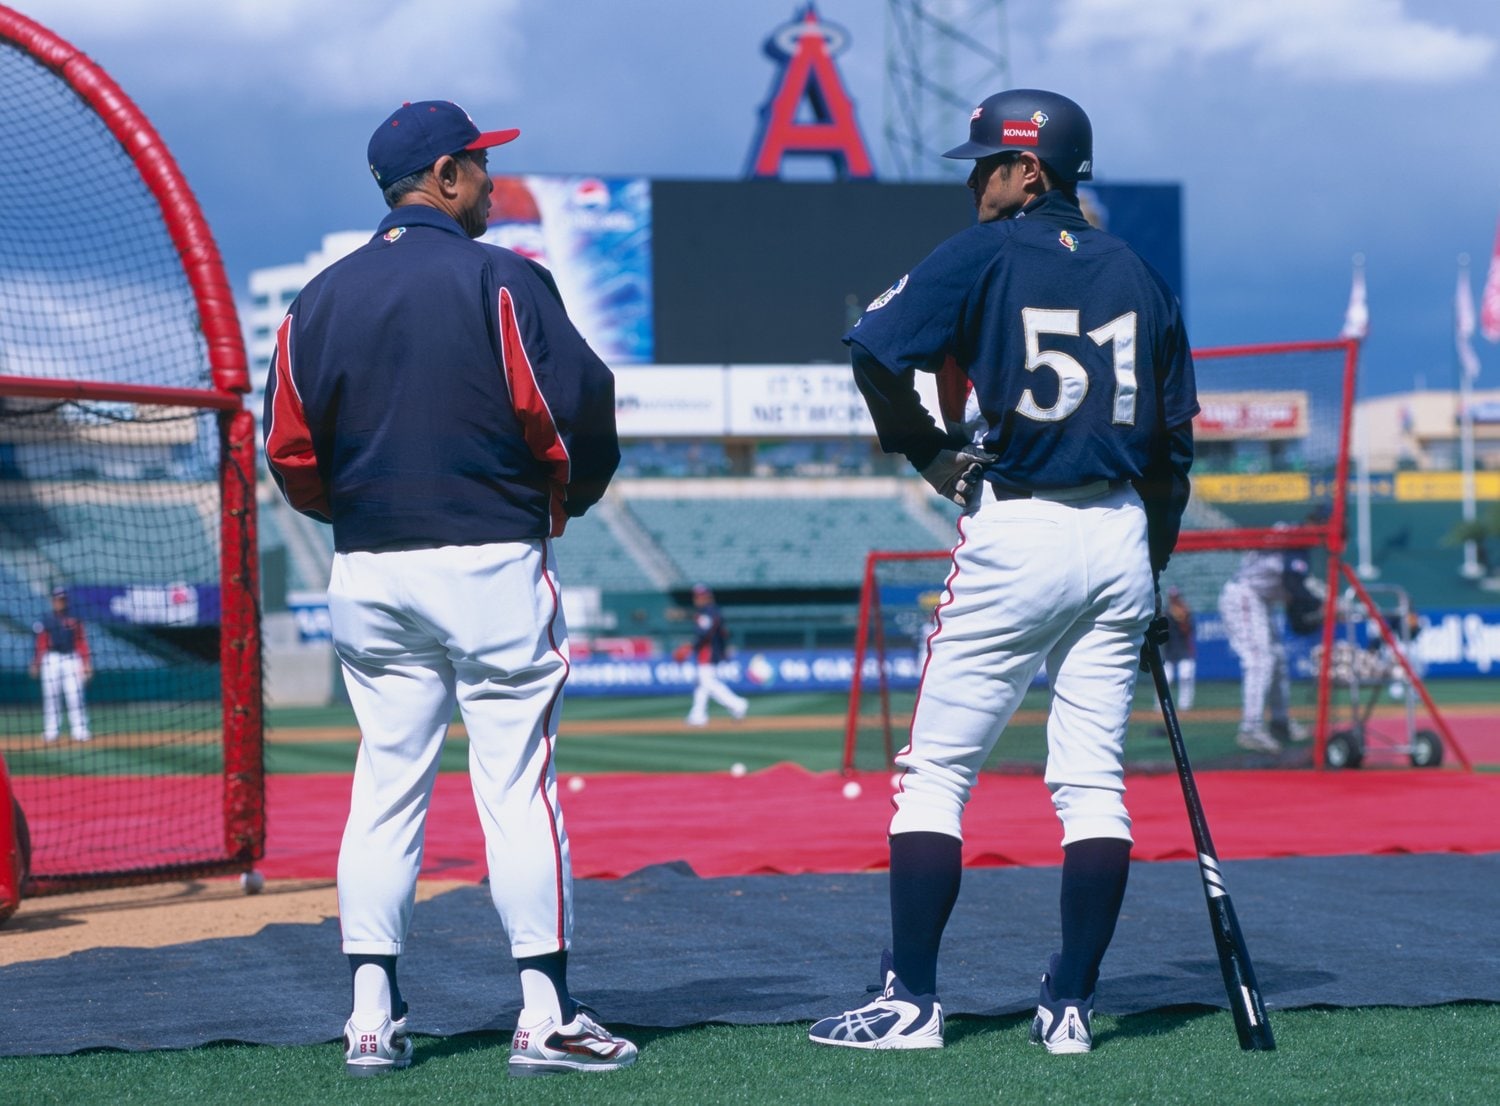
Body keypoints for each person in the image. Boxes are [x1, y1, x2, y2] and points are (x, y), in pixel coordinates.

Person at [808, 88, 1196, 1055]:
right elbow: (1174, 454)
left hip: (1018, 525)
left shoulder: (985, 253)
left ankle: (911, 1004)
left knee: (933, 774)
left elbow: (870, 345)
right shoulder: (1139, 272)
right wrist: (1151, 572)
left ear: (1033, 171)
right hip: (1119, 536)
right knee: (1094, 785)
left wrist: (925, 450)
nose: (976, 178)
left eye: (988, 162)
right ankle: (1068, 1006)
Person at [263, 100, 635, 1079]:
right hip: (486, 554)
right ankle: (546, 1012)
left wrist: (360, 516)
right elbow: (576, 413)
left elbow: (288, 452)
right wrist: (572, 495)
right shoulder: (502, 277)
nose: (487, 179)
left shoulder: (317, 298)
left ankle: (371, 1015)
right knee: (515, 784)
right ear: (444, 175)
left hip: (370, 563)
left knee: (385, 780)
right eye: (477, 163)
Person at [1217, 519, 1324, 753]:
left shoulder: (1294, 541)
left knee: (1278, 660)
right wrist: (1318, 603)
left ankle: (1280, 722)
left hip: (1260, 599)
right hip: (1244, 594)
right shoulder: (1294, 540)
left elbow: (1292, 589)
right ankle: (1250, 729)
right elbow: (1293, 584)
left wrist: (1315, 604)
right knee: (1259, 660)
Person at [675, 584, 748, 726]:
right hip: (708, 650)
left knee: (707, 682)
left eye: (700, 596)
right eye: (696, 595)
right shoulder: (710, 611)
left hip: (708, 652)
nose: (697, 598)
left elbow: (705, 633)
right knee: (701, 684)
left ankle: (737, 704)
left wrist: (690, 646)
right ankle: (698, 715)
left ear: (707, 597)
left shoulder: (707, 611)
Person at [30, 587, 92, 744]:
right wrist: (36, 662)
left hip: (71, 658)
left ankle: (80, 730)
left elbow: (81, 641)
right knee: (51, 696)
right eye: (57, 599)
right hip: (51, 659)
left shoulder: (75, 618)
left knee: (74, 695)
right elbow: (41, 643)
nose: (60, 602)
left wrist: (86, 663)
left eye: (62, 599)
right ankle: (51, 731)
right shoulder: (46, 619)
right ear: (52, 601)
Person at [1160, 586, 1196, 712]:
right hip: (1169, 650)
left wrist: (1182, 619)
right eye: (1172, 597)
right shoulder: (1165, 613)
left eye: (1176, 597)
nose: (1174, 599)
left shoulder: (1185, 611)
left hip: (1183, 649)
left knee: (1185, 677)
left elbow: (1188, 631)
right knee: (1166, 679)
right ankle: (1161, 706)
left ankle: (1185, 706)